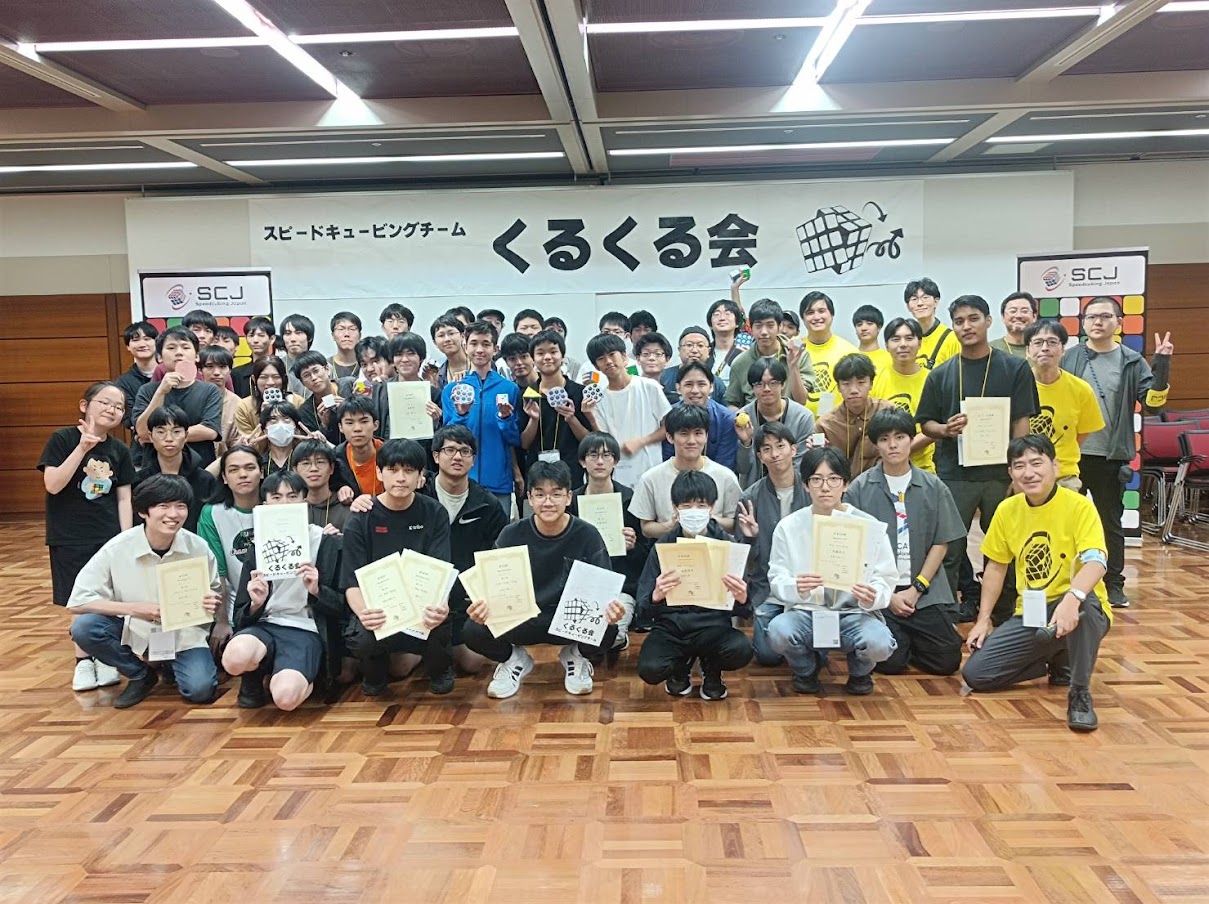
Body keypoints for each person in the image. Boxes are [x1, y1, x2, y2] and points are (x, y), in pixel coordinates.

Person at [963, 436, 1113, 732]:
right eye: (1019, 466)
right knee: (977, 675)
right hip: (1033, 612)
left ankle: (1079, 694)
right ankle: (1055, 656)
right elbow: (996, 567)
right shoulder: (1007, 509)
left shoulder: (1079, 506)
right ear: (1010, 473)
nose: (1028, 473)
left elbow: (1096, 561)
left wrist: (1073, 597)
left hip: (1077, 603)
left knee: (1085, 611)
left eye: (1036, 463)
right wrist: (983, 619)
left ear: (1055, 466)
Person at [917, 294, 1039, 623]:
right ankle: (952, 607)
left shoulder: (1014, 368)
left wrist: (1019, 472)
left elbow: (1022, 423)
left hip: (1001, 473)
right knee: (951, 546)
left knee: (1004, 543)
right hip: (955, 473)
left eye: (973, 319)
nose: (966, 326)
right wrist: (945, 429)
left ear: (988, 321)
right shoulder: (940, 374)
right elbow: (926, 423)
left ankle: (1003, 610)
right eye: (959, 321)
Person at [462, 461, 626, 699]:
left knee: (609, 629)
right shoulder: (511, 534)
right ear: (529, 498)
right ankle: (513, 660)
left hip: (569, 619)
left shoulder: (587, 533)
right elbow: (493, 585)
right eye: (540, 494)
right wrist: (482, 605)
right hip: (524, 618)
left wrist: (611, 610)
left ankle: (576, 656)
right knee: (473, 628)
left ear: (569, 497)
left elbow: (603, 589)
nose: (548, 502)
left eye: (556, 494)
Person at [68, 474, 221, 708]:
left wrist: (212, 602)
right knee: (85, 627)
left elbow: (213, 590)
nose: (173, 514)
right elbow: (78, 601)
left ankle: (169, 664)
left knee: (200, 690)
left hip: (184, 635)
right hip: (136, 631)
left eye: (180, 506)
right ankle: (140, 674)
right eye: (163, 506)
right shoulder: (118, 548)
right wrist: (135, 609)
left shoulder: (197, 547)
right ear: (143, 511)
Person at [1061, 297, 1173, 609]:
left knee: (1109, 523)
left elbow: (1153, 404)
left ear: (1118, 322)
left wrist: (1162, 364)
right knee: (1063, 522)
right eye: (1091, 317)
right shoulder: (1069, 357)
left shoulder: (1131, 361)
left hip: (1109, 457)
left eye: (1105, 316)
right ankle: (1064, 583)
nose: (1098, 322)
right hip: (1070, 455)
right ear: (1083, 323)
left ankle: (1113, 584)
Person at [765, 448, 898, 695]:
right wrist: (796, 587)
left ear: (845, 484)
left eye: (834, 479)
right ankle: (806, 670)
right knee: (778, 632)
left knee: (880, 643)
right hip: (806, 611)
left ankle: (860, 673)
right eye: (816, 479)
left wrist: (874, 595)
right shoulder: (789, 526)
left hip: (855, 613)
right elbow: (776, 576)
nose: (825, 487)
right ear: (806, 485)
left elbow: (886, 576)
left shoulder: (868, 525)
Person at [847, 409, 964, 676]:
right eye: (884, 439)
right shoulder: (859, 489)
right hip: (880, 592)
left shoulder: (934, 486)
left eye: (899, 437)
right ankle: (899, 640)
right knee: (891, 663)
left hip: (923, 590)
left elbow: (941, 543)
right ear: (876, 445)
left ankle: (908, 639)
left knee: (947, 662)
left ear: (911, 439)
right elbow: (855, 551)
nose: (892, 445)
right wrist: (888, 598)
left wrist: (917, 588)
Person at [39, 381, 136, 692]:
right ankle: (83, 660)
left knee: (106, 598)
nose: (112, 409)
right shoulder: (63, 439)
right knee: (79, 600)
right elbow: (53, 484)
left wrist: (125, 539)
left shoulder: (120, 450)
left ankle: (104, 656)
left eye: (119, 406)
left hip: (107, 535)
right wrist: (82, 448)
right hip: (69, 536)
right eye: (105, 402)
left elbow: (124, 498)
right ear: (85, 405)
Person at [340, 438, 456, 696]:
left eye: (409, 470)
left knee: (440, 617)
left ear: (420, 476)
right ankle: (374, 673)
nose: (401, 478)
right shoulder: (361, 518)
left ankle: (440, 668)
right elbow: (351, 581)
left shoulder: (435, 513)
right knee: (361, 637)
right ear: (379, 473)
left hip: (421, 602)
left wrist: (441, 605)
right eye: (392, 470)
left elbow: (441, 571)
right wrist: (365, 613)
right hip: (378, 606)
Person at [224, 471, 345, 710]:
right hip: (265, 625)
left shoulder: (326, 541)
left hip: (305, 629)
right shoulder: (257, 546)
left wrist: (317, 591)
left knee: (286, 699)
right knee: (234, 659)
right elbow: (240, 614)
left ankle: (300, 676)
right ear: (265, 505)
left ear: (304, 501)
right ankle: (254, 674)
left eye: (292, 496)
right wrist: (256, 603)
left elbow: (342, 605)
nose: (285, 503)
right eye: (276, 497)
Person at [637, 470, 752, 700]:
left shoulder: (727, 545)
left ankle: (712, 666)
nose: (694, 511)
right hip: (672, 628)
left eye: (701, 505)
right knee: (650, 668)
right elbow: (642, 608)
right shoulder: (663, 546)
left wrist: (742, 597)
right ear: (675, 508)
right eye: (687, 506)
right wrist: (655, 596)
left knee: (741, 649)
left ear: (713, 507)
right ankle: (681, 666)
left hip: (713, 627)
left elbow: (746, 608)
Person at [422, 425, 509, 674]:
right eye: (449, 450)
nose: (457, 457)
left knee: (473, 663)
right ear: (436, 456)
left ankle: (443, 649)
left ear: (473, 459)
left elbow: (498, 558)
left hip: (463, 602)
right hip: (424, 599)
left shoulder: (488, 504)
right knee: (399, 667)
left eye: (465, 451)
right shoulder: (418, 494)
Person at [735, 421, 809, 667]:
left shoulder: (812, 491)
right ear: (760, 457)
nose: (775, 454)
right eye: (767, 449)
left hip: (808, 586)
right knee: (767, 656)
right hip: (768, 589)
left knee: (816, 653)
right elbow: (742, 558)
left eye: (780, 446)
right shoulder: (749, 498)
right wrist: (751, 537)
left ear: (793, 449)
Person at [571, 431, 647, 649]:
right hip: (584, 585)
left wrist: (633, 546)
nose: (600, 461)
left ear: (615, 461)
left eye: (607, 455)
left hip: (622, 585)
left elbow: (646, 555)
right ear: (582, 461)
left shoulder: (630, 499)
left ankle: (619, 635)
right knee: (582, 636)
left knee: (613, 636)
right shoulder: (572, 502)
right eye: (593, 455)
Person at [442, 320, 521, 513]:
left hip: (498, 482)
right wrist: (461, 414)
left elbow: (515, 439)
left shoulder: (509, 388)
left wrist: (505, 419)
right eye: (474, 343)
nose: (479, 349)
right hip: (461, 480)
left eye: (486, 344)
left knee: (500, 531)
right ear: (465, 346)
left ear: (495, 349)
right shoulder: (453, 390)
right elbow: (446, 437)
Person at [630, 403, 741, 538]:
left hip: (715, 548)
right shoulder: (651, 478)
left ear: (706, 436)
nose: (691, 441)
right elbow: (646, 528)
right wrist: (671, 525)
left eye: (698, 433)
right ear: (670, 437)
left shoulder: (725, 476)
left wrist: (708, 519)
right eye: (684, 434)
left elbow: (735, 524)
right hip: (670, 548)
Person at [582, 332, 671, 488]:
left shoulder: (649, 387)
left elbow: (669, 427)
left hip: (650, 467)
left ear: (624, 356)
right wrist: (590, 417)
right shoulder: (599, 398)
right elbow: (604, 441)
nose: (608, 361)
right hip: (618, 472)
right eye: (601, 358)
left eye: (612, 354)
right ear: (596, 366)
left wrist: (641, 442)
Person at [1025, 320, 1104, 491]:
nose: (1045, 348)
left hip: (1065, 476)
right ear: (1028, 352)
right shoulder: (1016, 386)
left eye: (1052, 342)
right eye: (1038, 342)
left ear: (1062, 350)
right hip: (1025, 474)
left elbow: (1082, 434)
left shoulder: (1081, 390)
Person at [132, 327, 223, 468]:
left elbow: (210, 431)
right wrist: (161, 392)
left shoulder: (210, 390)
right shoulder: (147, 390)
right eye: (171, 348)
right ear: (159, 357)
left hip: (199, 468)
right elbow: (143, 432)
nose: (179, 352)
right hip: (155, 470)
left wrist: (159, 435)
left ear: (197, 356)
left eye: (185, 347)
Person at [519, 329, 593, 486]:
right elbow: (524, 444)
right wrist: (534, 420)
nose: (547, 357)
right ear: (533, 359)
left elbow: (588, 441)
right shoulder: (526, 394)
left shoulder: (578, 392)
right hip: (536, 472)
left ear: (563, 356)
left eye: (553, 352)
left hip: (571, 472)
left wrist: (571, 419)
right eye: (540, 353)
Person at [136, 405, 219, 532]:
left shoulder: (205, 480)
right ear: (150, 436)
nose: (169, 439)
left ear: (186, 436)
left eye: (176, 432)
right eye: (161, 432)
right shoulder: (140, 481)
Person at [734, 357, 815, 489]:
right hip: (753, 491)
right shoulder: (743, 418)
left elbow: (801, 465)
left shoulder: (803, 417)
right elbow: (743, 469)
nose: (766, 389)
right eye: (759, 384)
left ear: (783, 384)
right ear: (752, 387)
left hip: (794, 489)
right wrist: (746, 443)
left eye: (773, 383)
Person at [870, 317, 935, 473]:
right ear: (887, 345)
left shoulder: (933, 379)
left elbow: (936, 426)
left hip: (923, 469)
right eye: (896, 339)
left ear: (920, 343)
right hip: (882, 469)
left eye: (909, 338)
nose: (903, 344)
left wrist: (899, 450)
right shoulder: (875, 379)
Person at [724, 299, 814, 409]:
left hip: (790, 418)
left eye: (770, 326)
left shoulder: (798, 355)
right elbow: (732, 402)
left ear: (779, 327)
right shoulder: (740, 363)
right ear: (751, 328)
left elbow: (801, 400)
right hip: (754, 419)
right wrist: (740, 416)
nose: (764, 332)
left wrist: (793, 366)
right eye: (758, 326)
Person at [815, 353, 893, 477]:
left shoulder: (887, 411)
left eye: (861, 382)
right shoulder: (826, 425)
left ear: (871, 384)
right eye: (846, 384)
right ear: (838, 387)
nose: (854, 390)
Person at [660, 361, 737, 470]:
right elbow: (667, 459)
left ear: (711, 387)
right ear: (678, 388)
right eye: (689, 384)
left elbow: (725, 464)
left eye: (701, 384)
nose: (695, 391)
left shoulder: (726, 419)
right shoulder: (668, 415)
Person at [797, 291, 859, 413]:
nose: (816, 317)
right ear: (803, 319)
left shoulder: (850, 352)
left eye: (821, 311)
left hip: (839, 421)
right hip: (800, 421)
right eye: (810, 312)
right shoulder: (794, 350)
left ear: (832, 315)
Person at [114, 321, 159, 460]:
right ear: (128, 346)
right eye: (136, 340)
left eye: (147, 339)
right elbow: (130, 418)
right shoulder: (123, 382)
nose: (142, 344)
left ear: (157, 342)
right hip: (142, 452)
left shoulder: (170, 375)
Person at [233, 355, 302, 443]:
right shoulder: (244, 407)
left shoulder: (297, 402)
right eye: (263, 377)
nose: (270, 382)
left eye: (276, 377)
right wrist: (263, 420)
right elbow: (249, 444)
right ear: (254, 379)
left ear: (284, 379)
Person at [292, 440, 352, 532]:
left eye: (320, 462)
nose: (313, 469)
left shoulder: (348, 509)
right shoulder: (292, 509)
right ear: (295, 470)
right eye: (306, 463)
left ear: (331, 468)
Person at [904, 277, 960, 370]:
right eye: (914, 299)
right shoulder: (906, 341)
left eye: (925, 297)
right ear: (908, 307)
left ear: (936, 302)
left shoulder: (952, 339)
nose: (920, 303)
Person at [333, 396, 383, 497]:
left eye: (364, 421)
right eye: (349, 423)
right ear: (341, 427)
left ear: (375, 425)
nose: (357, 429)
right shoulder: (335, 459)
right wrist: (340, 489)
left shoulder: (392, 453)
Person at [661, 326, 725, 405]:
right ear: (679, 350)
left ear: (709, 351)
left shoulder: (717, 383)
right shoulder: (664, 377)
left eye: (700, 346)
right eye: (689, 345)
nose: (694, 350)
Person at [292, 349, 343, 443]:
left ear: (327, 370)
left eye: (316, 371)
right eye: (306, 375)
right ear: (302, 383)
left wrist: (349, 406)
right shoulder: (305, 411)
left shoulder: (349, 385)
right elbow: (315, 446)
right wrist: (324, 425)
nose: (314, 378)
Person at [198, 345, 242, 456]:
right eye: (210, 366)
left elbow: (237, 444)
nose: (217, 372)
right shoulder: (191, 398)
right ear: (200, 370)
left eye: (222, 366)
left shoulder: (237, 404)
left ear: (230, 370)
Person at [576, 313, 637, 383]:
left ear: (626, 336)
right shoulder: (588, 367)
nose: (611, 335)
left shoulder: (634, 366)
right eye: (606, 332)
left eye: (617, 332)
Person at [706, 297, 747, 388]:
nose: (722, 318)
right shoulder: (704, 352)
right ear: (710, 324)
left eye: (728, 313)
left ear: (737, 323)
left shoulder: (745, 352)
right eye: (716, 314)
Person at [233, 316, 275, 399]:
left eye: (261, 335)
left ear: (272, 339)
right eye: (251, 335)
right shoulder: (236, 374)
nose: (255, 340)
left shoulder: (281, 369)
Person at [430, 314, 469, 394]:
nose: (447, 339)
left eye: (451, 333)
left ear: (462, 336)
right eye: (441, 335)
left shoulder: (480, 364)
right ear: (435, 343)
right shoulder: (439, 375)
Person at [991, 292, 1038, 358]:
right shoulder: (990, 349)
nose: (1018, 315)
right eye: (1013, 311)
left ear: (1034, 317)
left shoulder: (1043, 349)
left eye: (1024, 311)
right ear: (1003, 317)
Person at [278, 314, 315, 396]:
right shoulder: (276, 367)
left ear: (310, 337)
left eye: (298, 333)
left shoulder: (320, 367)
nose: (293, 339)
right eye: (288, 333)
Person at [635, 332, 677, 403]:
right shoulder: (631, 392)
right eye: (646, 354)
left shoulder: (673, 400)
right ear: (638, 359)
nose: (651, 358)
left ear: (667, 360)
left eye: (658, 354)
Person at [852, 304, 891, 375]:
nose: (863, 328)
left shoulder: (891, 359)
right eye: (859, 325)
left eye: (869, 323)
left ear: (879, 327)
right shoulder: (849, 358)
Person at [328, 311, 362, 380]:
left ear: (359, 336)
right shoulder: (326, 366)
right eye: (341, 329)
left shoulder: (367, 365)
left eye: (352, 329)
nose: (346, 334)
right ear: (333, 336)